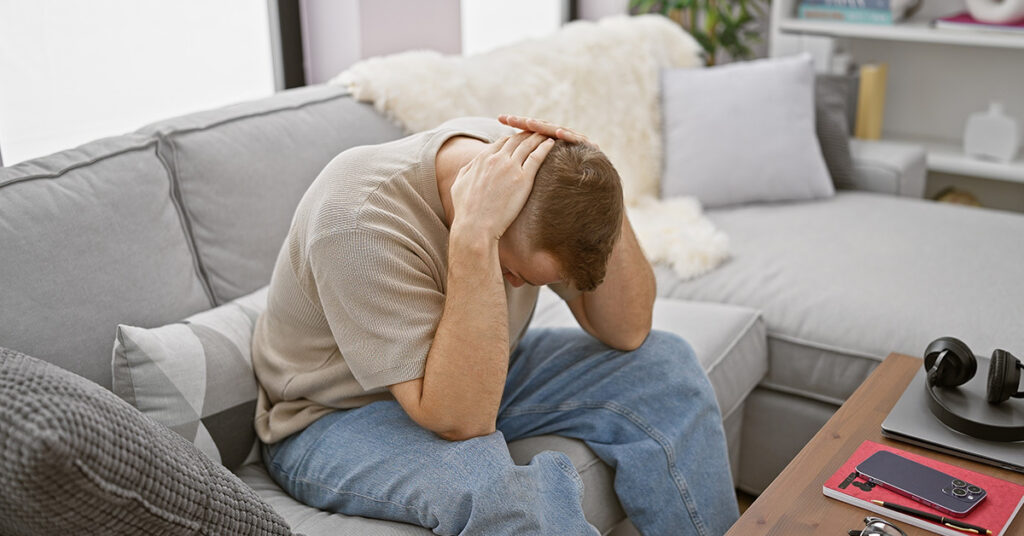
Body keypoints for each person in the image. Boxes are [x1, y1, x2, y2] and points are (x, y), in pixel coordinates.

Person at [251, 114, 739, 535]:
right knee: (491, 485)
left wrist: (599, 188)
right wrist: (474, 237)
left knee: (665, 367)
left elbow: (627, 330)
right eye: (515, 275)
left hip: (479, 371)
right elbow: (462, 422)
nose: (517, 285)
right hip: (334, 416)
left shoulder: (527, 171)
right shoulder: (358, 220)